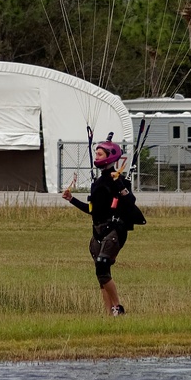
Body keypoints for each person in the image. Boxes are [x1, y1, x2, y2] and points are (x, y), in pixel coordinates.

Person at [62, 135, 145, 316]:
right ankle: (109, 314)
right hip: (98, 231)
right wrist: (71, 199)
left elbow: (130, 201)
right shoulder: (98, 183)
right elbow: (93, 210)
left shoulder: (118, 180)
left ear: (109, 156)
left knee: (101, 265)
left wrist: (120, 185)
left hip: (114, 231)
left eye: (99, 155)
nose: (96, 157)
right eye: (96, 154)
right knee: (102, 273)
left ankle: (117, 307)